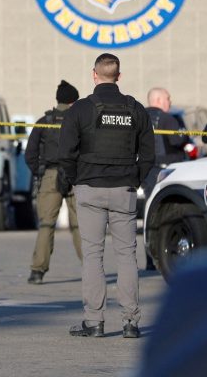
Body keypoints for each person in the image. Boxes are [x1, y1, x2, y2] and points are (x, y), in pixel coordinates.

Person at [58, 53, 155, 339]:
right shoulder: (136, 109)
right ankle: (130, 322)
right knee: (127, 256)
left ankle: (94, 321)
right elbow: (148, 154)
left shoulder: (80, 110)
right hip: (124, 189)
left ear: (94, 75)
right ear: (119, 76)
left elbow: (65, 153)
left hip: (90, 188)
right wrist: (133, 179)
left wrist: (76, 180)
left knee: (92, 255)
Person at [25, 80, 82, 285]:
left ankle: (37, 272)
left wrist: (40, 173)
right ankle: (92, 269)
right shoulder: (79, 121)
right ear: (72, 102)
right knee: (81, 226)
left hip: (50, 176)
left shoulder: (44, 121)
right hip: (76, 176)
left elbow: (30, 153)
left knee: (46, 225)